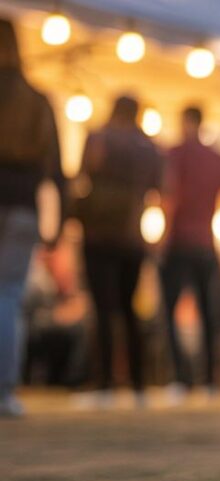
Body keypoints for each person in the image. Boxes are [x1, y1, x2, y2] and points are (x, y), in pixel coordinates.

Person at [74, 95, 161, 408]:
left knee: (102, 309)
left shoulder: (98, 137)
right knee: (129, 310)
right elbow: (158, 189)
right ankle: (138, 385)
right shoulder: (148, 147)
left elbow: (83, 176)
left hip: (98, 234)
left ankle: (104, 385)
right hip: (132, 235)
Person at [0, 19, 67, 417]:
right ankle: (5, 389)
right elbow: (58, 170)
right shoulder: (37, 100)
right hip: (25, 207)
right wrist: (57, 225)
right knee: (9, 297)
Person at [159, 106, 220, 404]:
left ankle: (180, 378)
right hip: (207, 245)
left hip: (179, 242)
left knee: (170, 312)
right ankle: (209, 380)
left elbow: (168, 197)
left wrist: (161, 239)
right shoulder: (217, 158)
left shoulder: (175, 153)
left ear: (185, 122)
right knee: (209, 314)